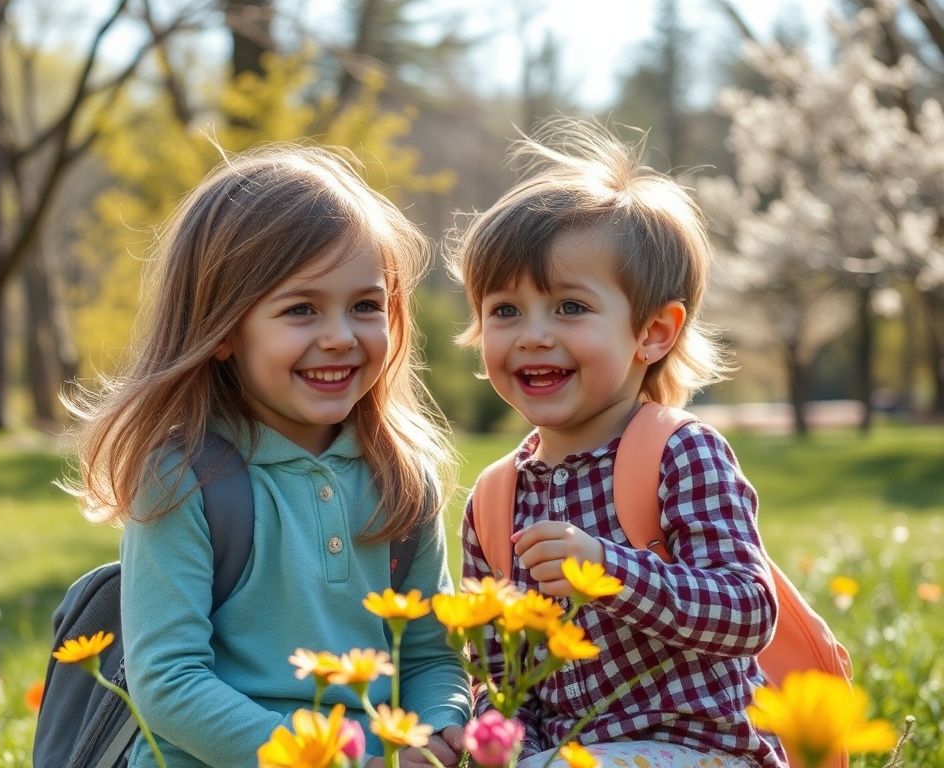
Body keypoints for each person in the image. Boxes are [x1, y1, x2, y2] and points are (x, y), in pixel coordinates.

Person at [62, 143, 471, 768]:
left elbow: (430, 656)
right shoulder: (183, 477)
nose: (339, 336)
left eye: (365, 305)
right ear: (224, 330)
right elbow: (169, 683)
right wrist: (335, 758)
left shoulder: (402, 477)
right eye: (301, 309)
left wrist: (438, 730)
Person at [445, 118, 787, 768]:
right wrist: (496, 738)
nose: (533, 335)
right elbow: (494, 672)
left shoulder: (679, 453)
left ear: (654, 332)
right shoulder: (492, 499)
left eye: (570, 308)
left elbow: (747, 611)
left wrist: (609, 572)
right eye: (505, 311)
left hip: (700, 751)